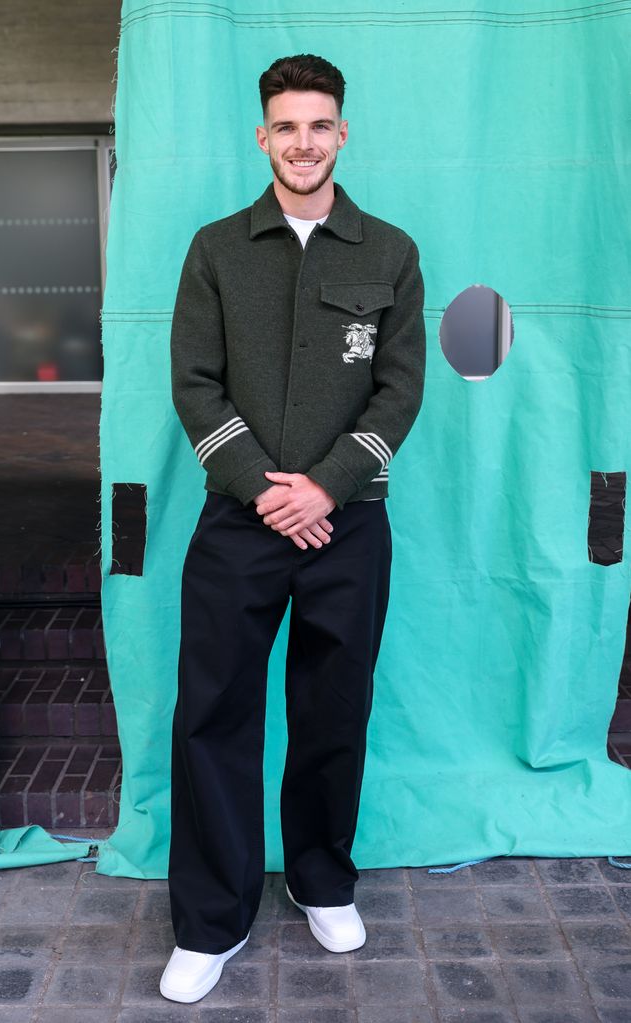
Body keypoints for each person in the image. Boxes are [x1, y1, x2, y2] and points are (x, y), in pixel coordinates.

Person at [160, 53, 426, 1004]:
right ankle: (210, 920)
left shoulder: (388, 249)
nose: (303, 141)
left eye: (320, 125)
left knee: (332, 711)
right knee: (213, 717)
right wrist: (262, 489)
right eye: (286, 126)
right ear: (262, 136)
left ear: (341, 133)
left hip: (348, 524)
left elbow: (400, 390)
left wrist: (326, 486)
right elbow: (193, 382)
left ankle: (321, 881)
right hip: (238, 523)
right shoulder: (217, 247)